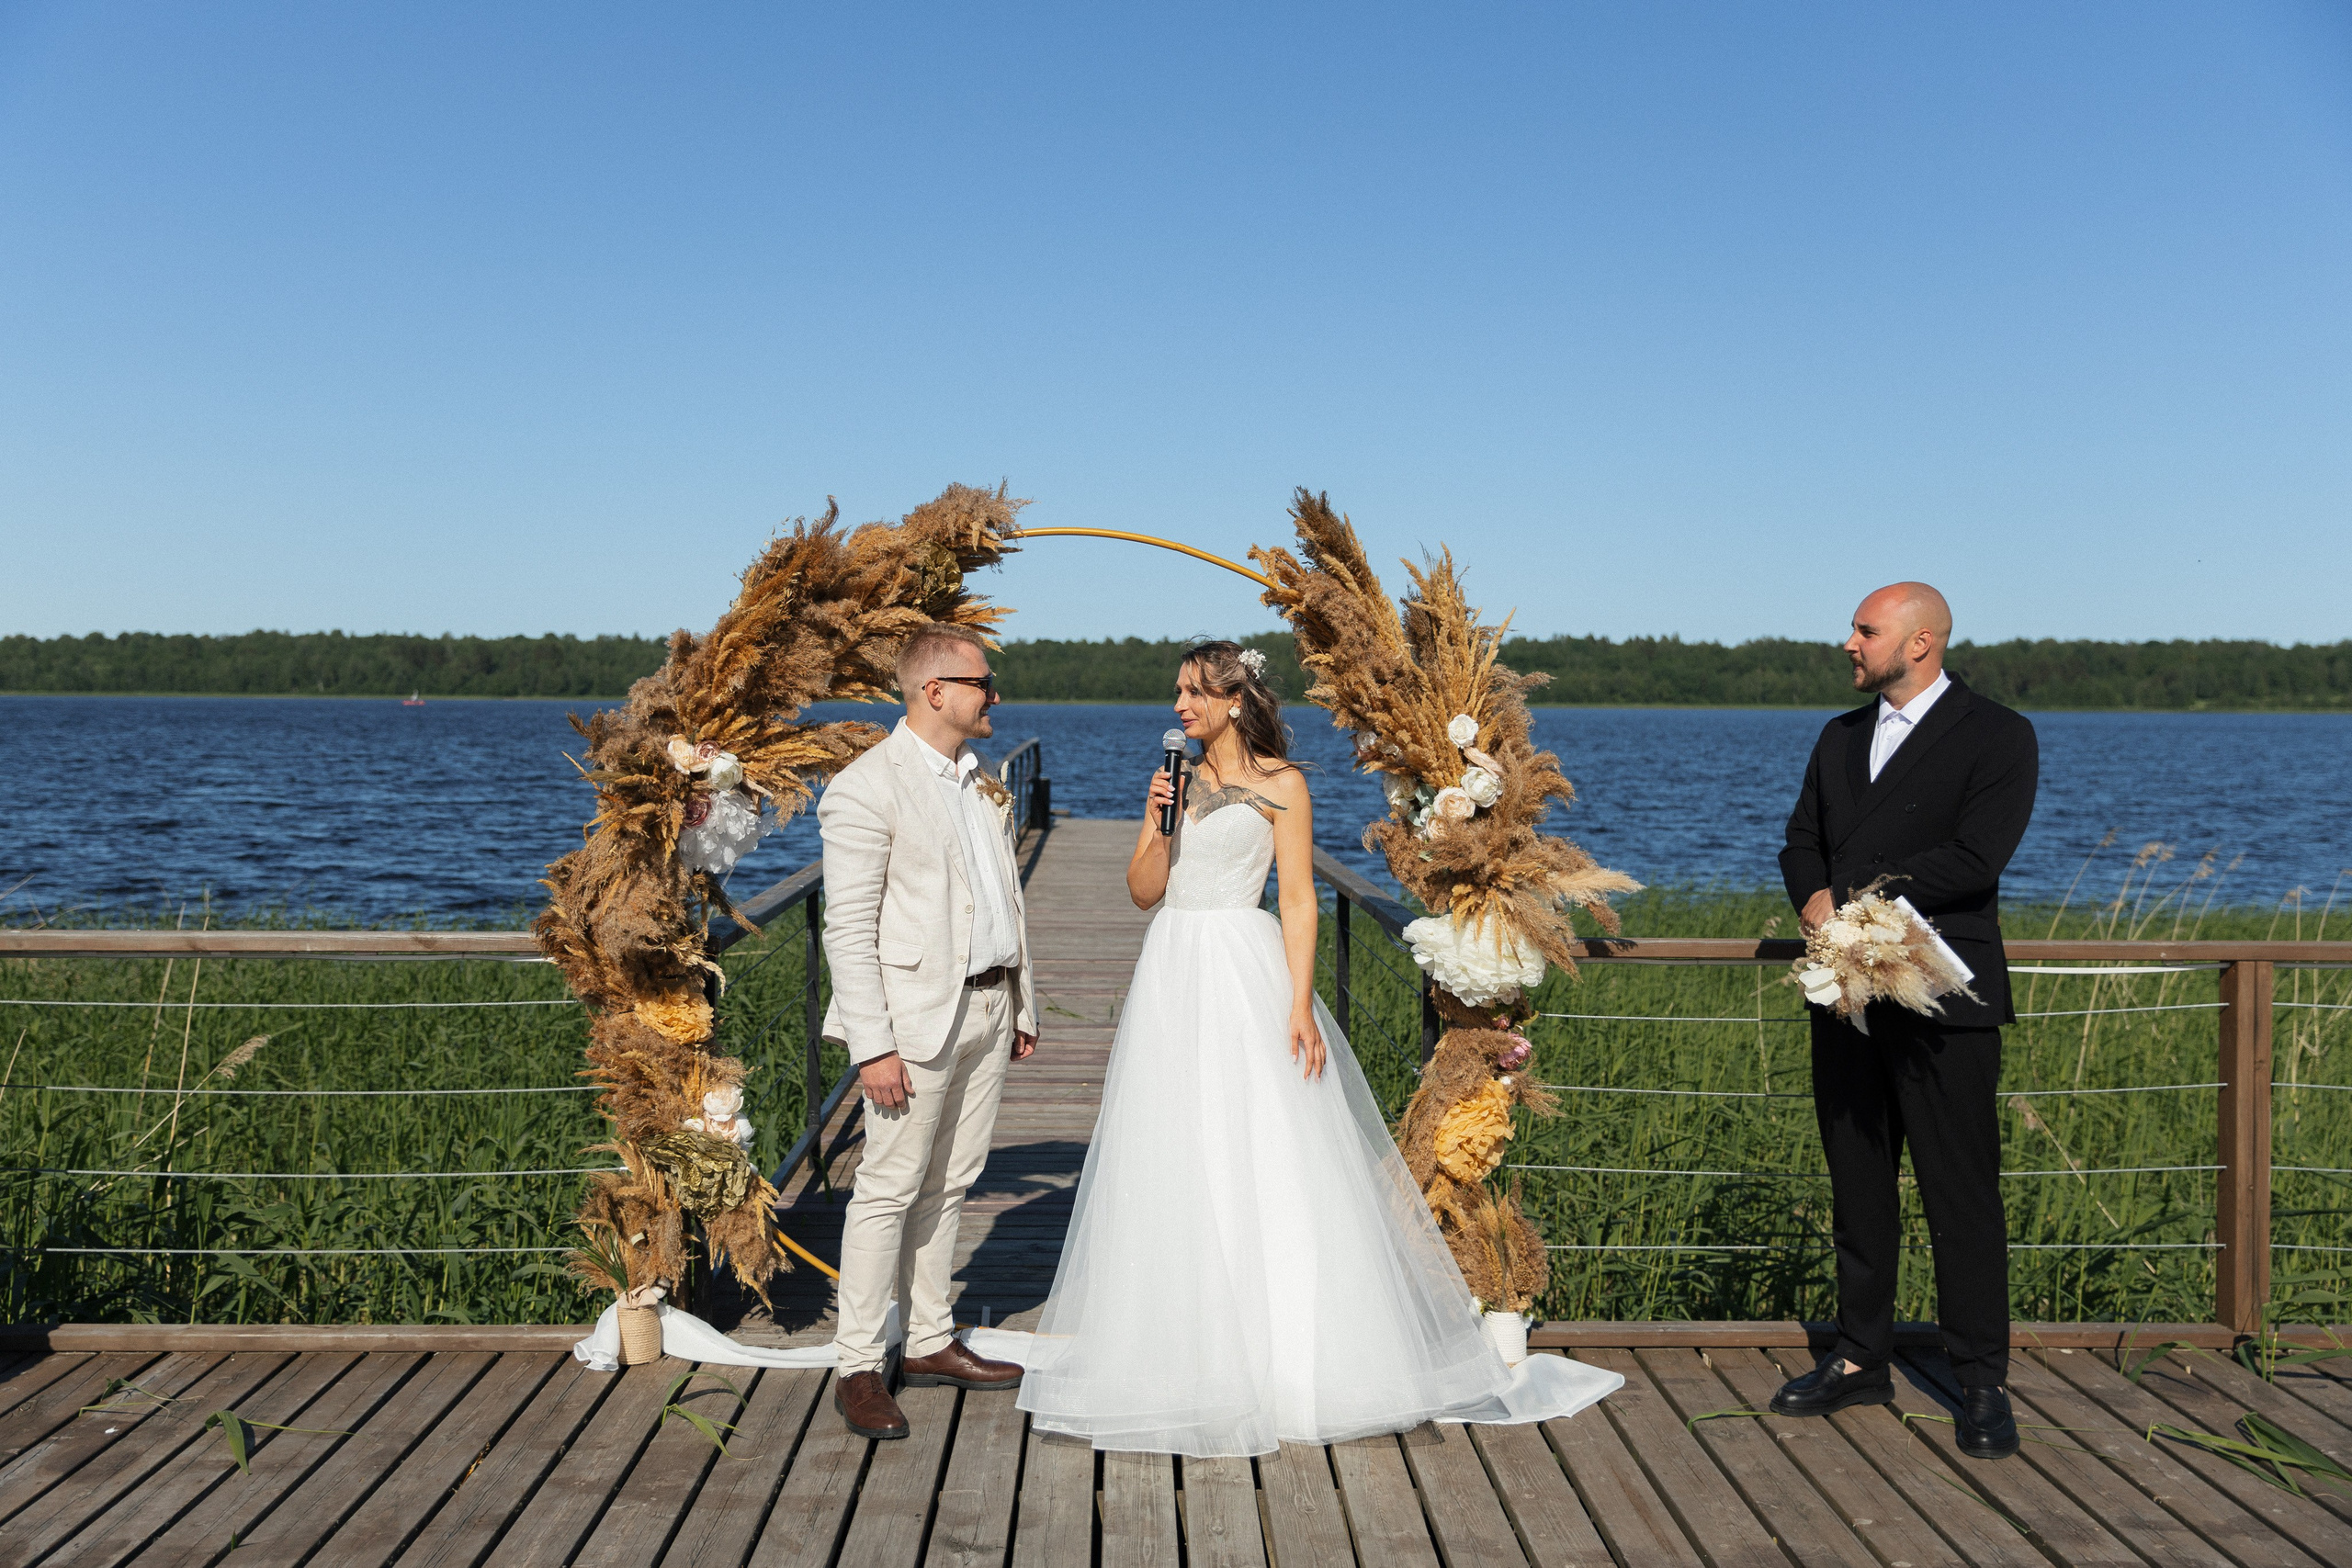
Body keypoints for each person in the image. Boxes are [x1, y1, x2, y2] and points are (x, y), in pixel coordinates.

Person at [1013, 640, 1620, 1456]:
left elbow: (1298, 901)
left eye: (1195, 692)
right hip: (1172, 971)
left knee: (1259, 1143)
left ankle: (1282, 1358)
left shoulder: (1282, 786)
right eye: (1179, 693)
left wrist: (1298, 1003)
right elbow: (1143, 892)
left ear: (1235, 700)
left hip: (1242, 968)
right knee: (1175, 1146)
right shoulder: (1177, 781)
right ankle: (1181, 1346)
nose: (1180, 706)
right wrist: (1157, 822)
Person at [1773, 583, 2038, 1460]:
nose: (1848, 642)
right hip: (1844, 997)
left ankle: (1981, 1378)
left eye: (1865, 629)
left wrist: (1857, 896)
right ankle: (1860, 1356)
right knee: (1857, 1182)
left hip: (1944, 1001)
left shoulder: (1999, 735)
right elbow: (1800, 837)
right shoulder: (1838, 736)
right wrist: (1813, 896)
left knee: (1960, 1191)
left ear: (1920, 641)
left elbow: (1974, 858)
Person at [818, 623, 1040, 1439]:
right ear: (935, 691)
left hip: (985, 1007)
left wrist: (1021, 1001)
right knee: (887, 1187)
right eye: (984, 682)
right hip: (911, 1025)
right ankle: (858, 1365)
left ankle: (933, 1336)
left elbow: (1002, 899)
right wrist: (873, 1045)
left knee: (953, 1180)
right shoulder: (864, 788)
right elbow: (848, 931)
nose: (994, 696)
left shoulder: (981, 781)